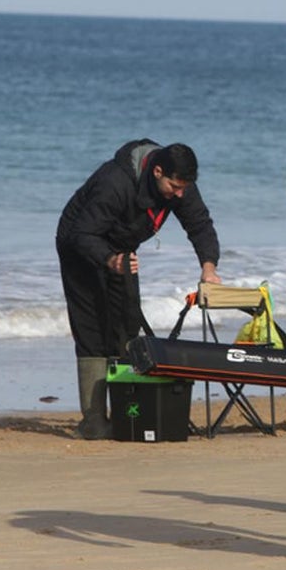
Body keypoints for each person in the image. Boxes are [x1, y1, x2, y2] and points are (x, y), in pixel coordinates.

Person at [56, 140, 221, 440]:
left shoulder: (180, 182)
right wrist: (109, 259)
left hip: (121, 247)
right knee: (92, 326)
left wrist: (208, 267)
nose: (180, 194)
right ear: (157, 171)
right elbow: (83, 233)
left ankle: (126, 412)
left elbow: (200, 225)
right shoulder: (115, 184)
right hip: (79, 241)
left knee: (127, 323)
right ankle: (94, 421)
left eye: (184, 187)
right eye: (174, 186)